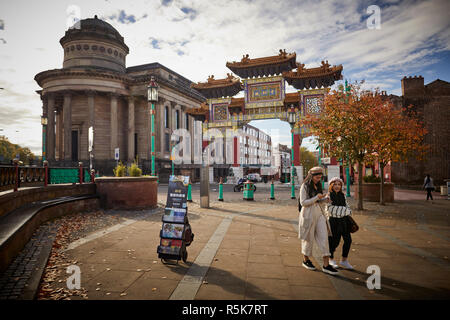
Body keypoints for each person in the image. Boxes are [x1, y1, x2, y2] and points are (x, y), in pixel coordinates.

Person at [298, 166, 339, 275]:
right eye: (317, 177)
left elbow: (318, 201)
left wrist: (325, 200)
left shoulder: (318, 185)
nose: (319, 179)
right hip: (308, 214)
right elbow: (303, 203)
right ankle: (306, 260)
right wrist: (317, 197)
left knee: (324, 238)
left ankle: (326, 265)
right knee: (308, 238)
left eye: (320, 177)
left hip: (320, 213)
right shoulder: (305, 186)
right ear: (311, 176)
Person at [327, 177, 353, 270]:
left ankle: (344, 260)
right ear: (331, 185)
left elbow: (349, 210)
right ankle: (331, 259)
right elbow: (330, 210)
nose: (337, 186)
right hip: (333, 222)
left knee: (348, 240)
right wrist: (344, 210)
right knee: (334, 242)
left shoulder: (343, 195)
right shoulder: (329, 196)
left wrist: (341, 210)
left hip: (344, 221)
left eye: (339, 184)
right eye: (335, 184)